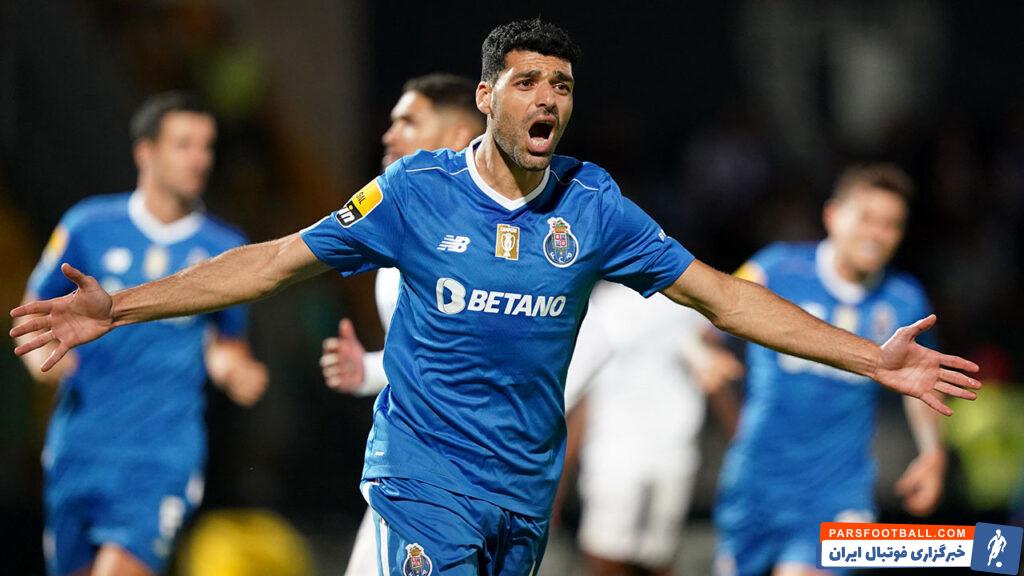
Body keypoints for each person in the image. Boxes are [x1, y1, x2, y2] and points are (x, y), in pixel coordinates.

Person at [11, 20, 980, 576]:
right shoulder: (412, 194)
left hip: (522, 492)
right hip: (423, 480)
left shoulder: (594, 206)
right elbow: (271, 262)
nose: (547, 98)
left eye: (561, 84)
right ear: (486, 97)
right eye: (526, 82)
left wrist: (872, 358)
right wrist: (120, 306)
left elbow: (721, 298)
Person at [12, 92, 268, 576]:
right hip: (80, 446)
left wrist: (235, 369)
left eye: (207, 146)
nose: (200, 158)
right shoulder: (89, 227)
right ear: (145, 152)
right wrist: (40, 359)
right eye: (184, 144)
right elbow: (32, 312)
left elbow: (225, 343)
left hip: (160, 454)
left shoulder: (224, 247)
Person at [713, 164, 953, 576]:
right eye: (867, 218)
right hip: (755, 484)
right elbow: (707, 323)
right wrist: (701, 356)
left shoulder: (904, 300)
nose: (877, 234)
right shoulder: (775, 269)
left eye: (891, 224)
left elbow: (922, 382)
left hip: (837, 492)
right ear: (833, 215)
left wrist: (933, 452)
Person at [316, 72, 485, 576]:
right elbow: (437, 359)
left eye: (408, 122)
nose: (389, 135)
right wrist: (370, 370)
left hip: (467, 478)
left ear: (458, 136)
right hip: (408, 469)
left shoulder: (495, 237)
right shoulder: (403, 223)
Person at [566, 281, 741, 576]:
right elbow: (584, 392)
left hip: (673, 452)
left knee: (656, 558)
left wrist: (742, 441)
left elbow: (712, 373)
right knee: (603, 553)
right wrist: (561, 470)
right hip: (613, 452)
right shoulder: (598, 304)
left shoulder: (684, 296)